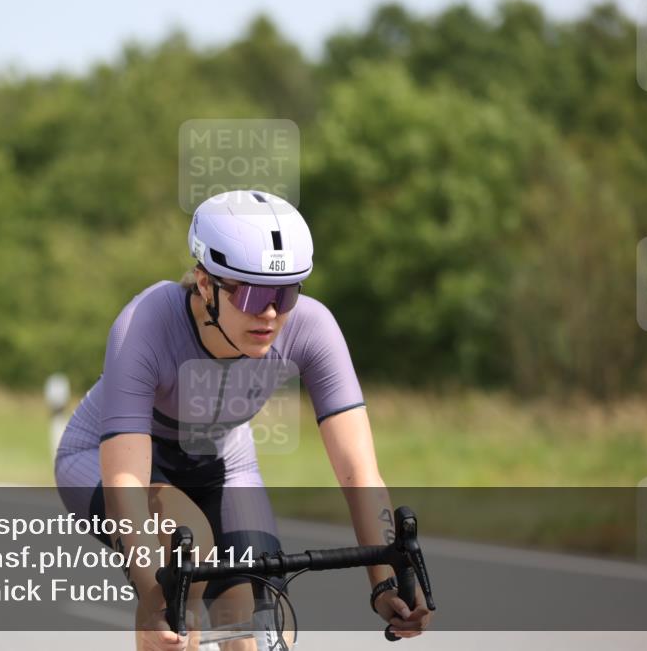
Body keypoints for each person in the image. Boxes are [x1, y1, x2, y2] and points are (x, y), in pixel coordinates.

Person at [55, 190, 431, 650]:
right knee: (181, 588)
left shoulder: (312, 328)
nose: (271, 313)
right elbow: (127, 484)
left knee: (259, 621)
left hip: (223, 464)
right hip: (108, 461)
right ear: (205, 282)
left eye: (286, 292)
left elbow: (358, 469)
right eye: (252, 294)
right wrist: (156, 597)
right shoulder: (145, 324)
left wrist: (386, 583)